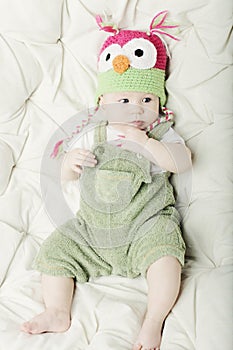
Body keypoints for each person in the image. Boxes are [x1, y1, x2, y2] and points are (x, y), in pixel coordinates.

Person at [21, 12, 192, 350]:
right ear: (102, 105)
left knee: (167, 255)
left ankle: (154, 319)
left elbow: (183, 162)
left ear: (159, 105)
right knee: (56, 248)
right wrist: (70, 163)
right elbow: (65, 175)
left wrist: (147, 143)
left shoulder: (159, 134)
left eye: (147, 101)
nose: (136, 109)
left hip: (147, 226)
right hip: (93, 231)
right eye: (123, 101)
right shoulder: (92, 134)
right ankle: (57, 311)